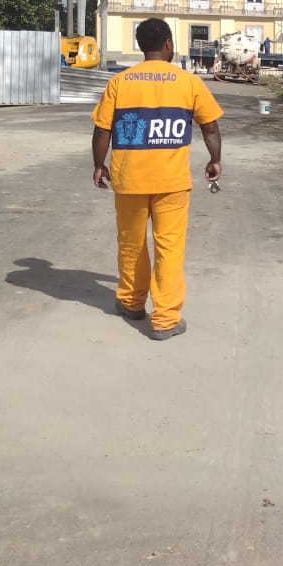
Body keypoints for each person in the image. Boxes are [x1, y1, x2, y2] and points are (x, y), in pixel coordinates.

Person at [90, 18, 223, 341]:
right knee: (169, 247)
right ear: (168, 44)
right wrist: (215, 159)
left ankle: (131, 302)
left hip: (129, 180)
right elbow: (209, 127)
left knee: (131, 243)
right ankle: (165, 319)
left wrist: (99, 165)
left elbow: (103, 129)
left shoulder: (120, 82)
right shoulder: (189, 82)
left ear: (140, 46)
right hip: (172, 183)